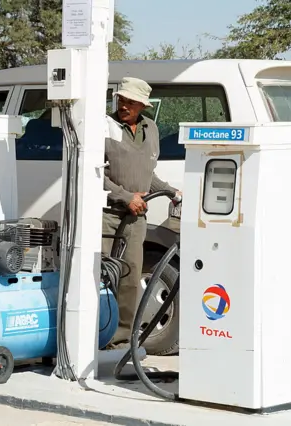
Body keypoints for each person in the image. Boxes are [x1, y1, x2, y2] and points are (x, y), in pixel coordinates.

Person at [102, 77, 181, 348]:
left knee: (131, 279)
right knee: (103, 277)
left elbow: (148, 173)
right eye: (121, 100)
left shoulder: (151, 129)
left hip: (136, 218)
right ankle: (96, 337)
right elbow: (93, 174)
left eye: (131, 102)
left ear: (142, 105)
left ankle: (122, 342)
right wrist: (125, 197)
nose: (124, 106)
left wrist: (171, 191)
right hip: (107, 214)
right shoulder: (106, 126)